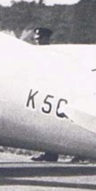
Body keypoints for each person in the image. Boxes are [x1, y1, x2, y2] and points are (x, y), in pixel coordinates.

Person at [30, 27, 60, 163]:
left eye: (40, 39)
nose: (38, 41)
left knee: (50, 124)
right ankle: (48, 152)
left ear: (47, 39)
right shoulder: (37, 53)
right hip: (39, 89)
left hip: (51, 90)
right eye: (37, 39)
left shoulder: (52, 53)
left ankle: (51, 153)